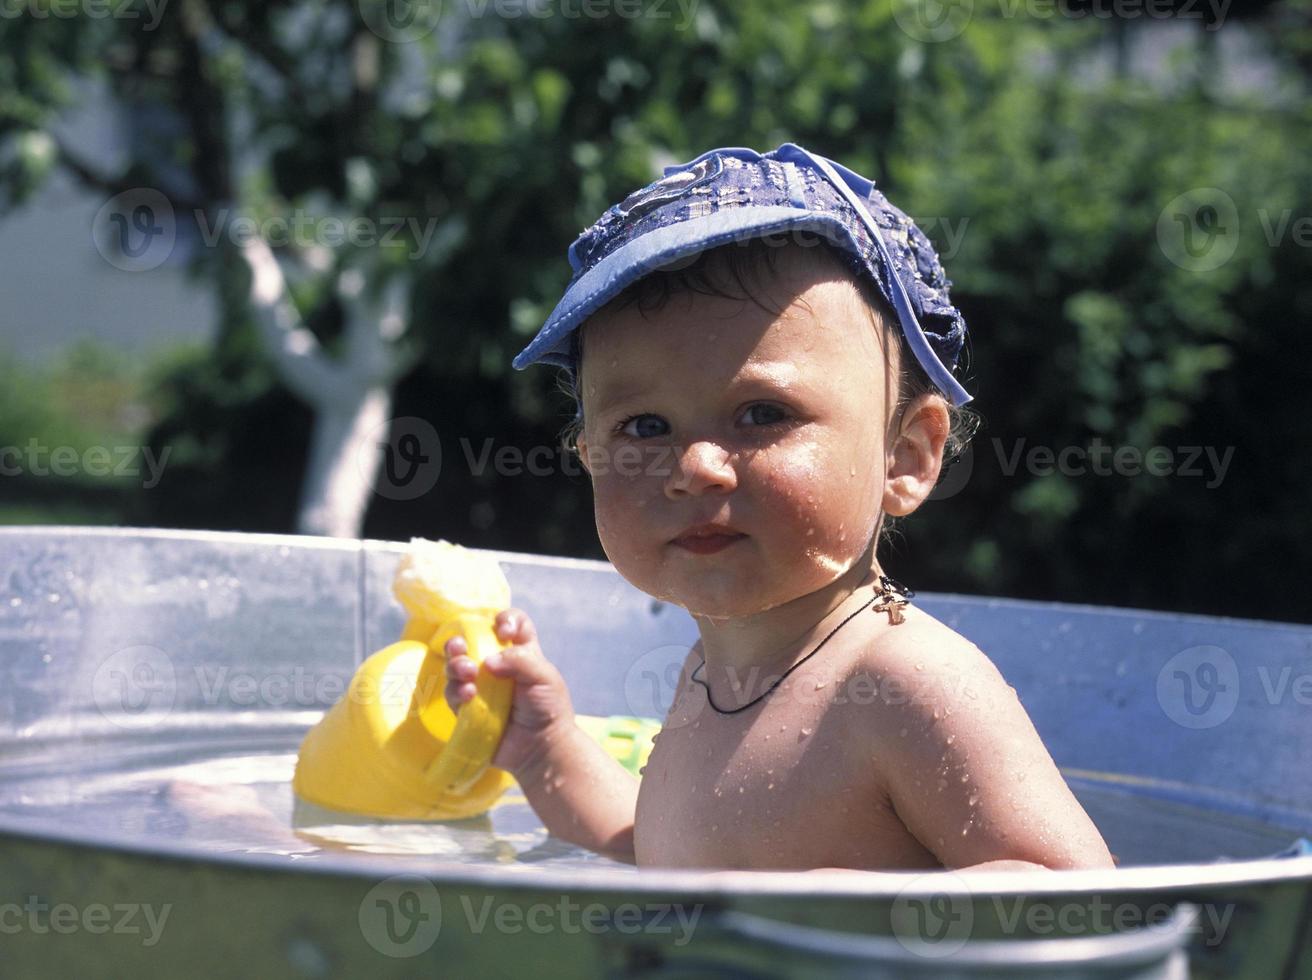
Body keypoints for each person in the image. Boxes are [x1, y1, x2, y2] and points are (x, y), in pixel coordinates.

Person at [443, 143, 1114, 873]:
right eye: (644, 427)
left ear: (907, 455)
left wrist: (831, 911)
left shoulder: (906, 682)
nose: (693, 467)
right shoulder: (707, 676)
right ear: (588, 456)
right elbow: (670, 857)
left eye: (762, 413)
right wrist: (545, 753)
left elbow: (1073, 898)